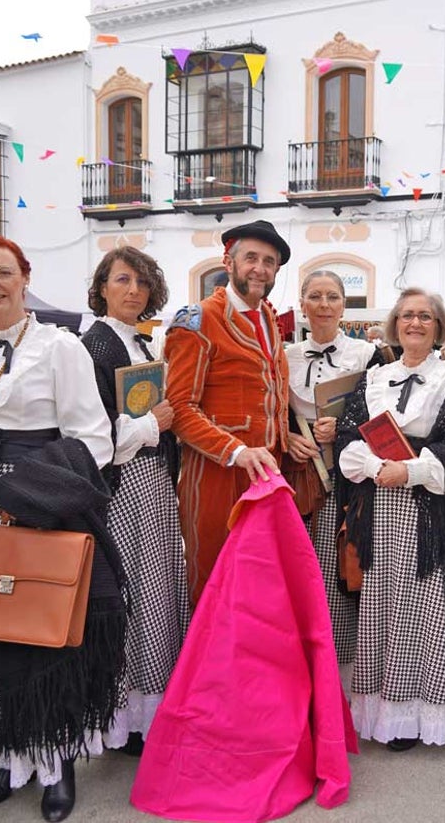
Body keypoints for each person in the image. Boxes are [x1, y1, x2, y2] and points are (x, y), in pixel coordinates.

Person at [0, 236, 116, 823]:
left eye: (4, 273)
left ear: (24, 277)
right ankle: (8, 757)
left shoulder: (58, 346)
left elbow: (94, 437)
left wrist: (33, 496)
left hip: (37, 500)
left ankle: (54, 760)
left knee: (39, 631)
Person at [336, 288, 445, 748]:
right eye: (407, 315)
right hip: (380, 506)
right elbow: (349, 438)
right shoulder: (375, 377)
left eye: (425, 316)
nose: (415, 323)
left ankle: (417, 713)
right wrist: (375, 468)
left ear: (438, 326)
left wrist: (408, 470)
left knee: (423, 609)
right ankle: (385, 710)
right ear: (395, 324)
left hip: (427, 509)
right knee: (383, 608)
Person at [80, 247, 188, 755]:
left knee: (155, 593)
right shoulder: (93, 346)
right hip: (122, 489)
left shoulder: (139, 344)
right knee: (131, 596)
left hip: (153, 486)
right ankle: (124, 716)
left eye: (142, 283)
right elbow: (91, 436)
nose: (133, 291)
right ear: (102, 287)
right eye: (122, 280)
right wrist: (152, 426)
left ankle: (151, 705)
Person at [165, 220, 291, 605]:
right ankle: (206, 664)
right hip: (218, 474)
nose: (260, 268)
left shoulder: (269, 318)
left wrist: (288, 438)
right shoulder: (198, 321)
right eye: (250, 258)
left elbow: (271, 392)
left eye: (269, 262)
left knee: (258, 583)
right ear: (228, 261)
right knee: (213, 580)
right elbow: (180, 409)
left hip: (268, 475)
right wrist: (237, 452)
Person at [285, 270, 380, 667]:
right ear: (302, 304)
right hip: (296, 472)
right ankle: (295, 653)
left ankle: (337, 659)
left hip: (344, 477)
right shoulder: (283, 356)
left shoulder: (366, 355)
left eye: (333, 297)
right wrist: (286, 437)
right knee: (295, 564)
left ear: (344, 305)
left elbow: (381, 418)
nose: (324, 305)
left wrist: (341, 430)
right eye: (315, 296)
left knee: (335, 564)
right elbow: (272, 412)